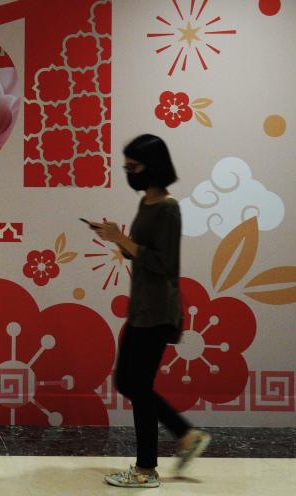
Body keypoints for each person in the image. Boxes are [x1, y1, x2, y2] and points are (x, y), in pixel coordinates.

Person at [90, 134, 210, 489]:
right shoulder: (147, 203)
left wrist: (122, 240)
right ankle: (186, 435)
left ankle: (146, 469)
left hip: (158, 310)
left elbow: (165, 264)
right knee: (127, 381)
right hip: (142, 307)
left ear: (154, 166)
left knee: (138, 385)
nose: (129, 172)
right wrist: (117, 239)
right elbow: (141, 253)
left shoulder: (169, 208)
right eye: (126, 167)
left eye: (135, 166)